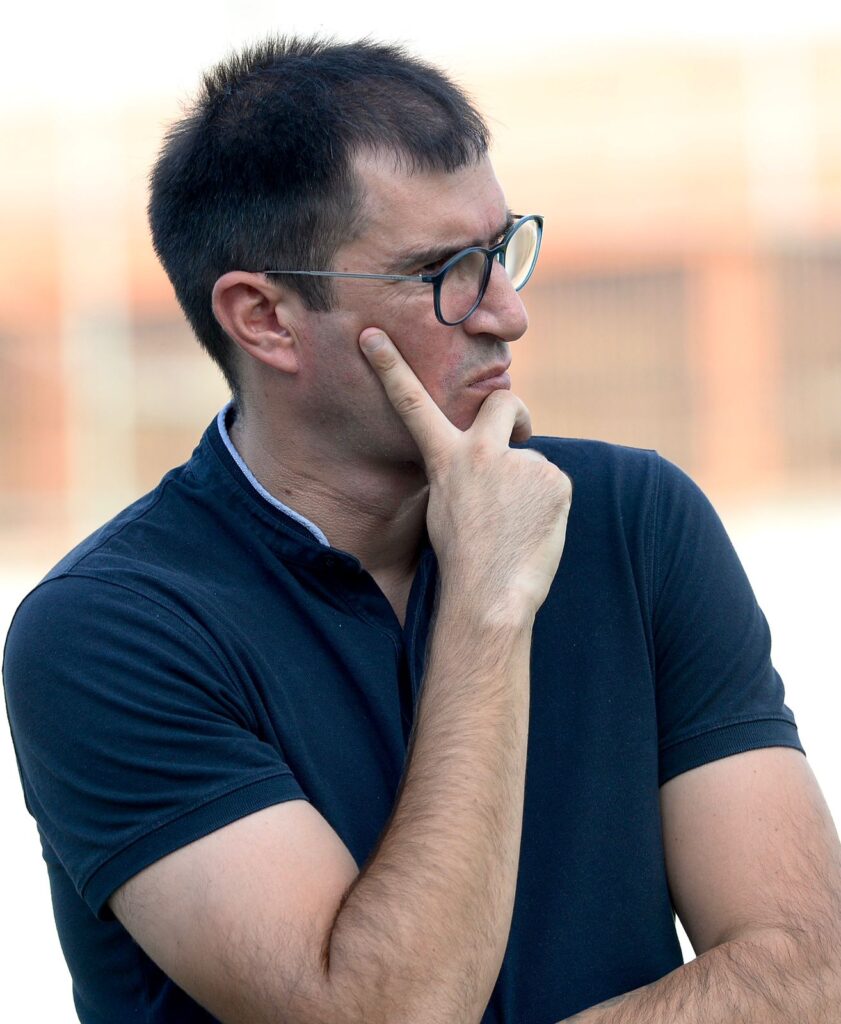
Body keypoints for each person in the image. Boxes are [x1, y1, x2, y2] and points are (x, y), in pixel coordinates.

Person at [3, 36, 840, 1024]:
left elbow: (808, 967)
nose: (508, 314)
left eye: (502, 249)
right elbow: (385, 1013)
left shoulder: (632, 518)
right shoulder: (108, 632)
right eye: (443, 271)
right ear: (264, 318)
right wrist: (488, 604)